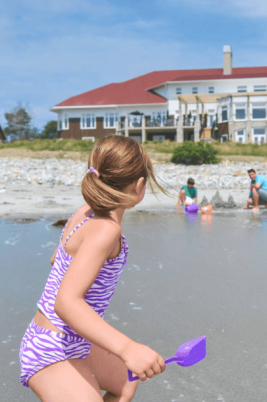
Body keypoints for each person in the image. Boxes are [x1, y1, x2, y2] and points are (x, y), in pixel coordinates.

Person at [19, 136, 167, 401]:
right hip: (50, 347)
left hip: (65, 337)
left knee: (125, 382)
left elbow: (57, 258)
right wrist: (127, 347)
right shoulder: (106, 230)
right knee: (126, 364)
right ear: (140, 186)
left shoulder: (85, 211)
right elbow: (65, 303)